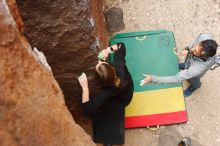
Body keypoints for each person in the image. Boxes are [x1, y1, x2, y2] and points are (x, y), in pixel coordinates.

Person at [78, 42, 134, 146]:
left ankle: (107, 135)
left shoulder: (106, 93)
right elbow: (121, 45)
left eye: (98, 64)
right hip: (127, 96)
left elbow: (87, 110)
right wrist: (108, 50)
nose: (99, 62)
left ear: (100, 83)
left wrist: (85, 88)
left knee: (97, 106)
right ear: (110, 66)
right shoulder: (118, 64)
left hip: (118, 101)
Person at [140, 33, 218, 97]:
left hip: (194, 74)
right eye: (195, 47)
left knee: (192, 80)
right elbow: (195, 41)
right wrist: (187, 49)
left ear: (204, 57)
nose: (192, 50)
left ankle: (195, 86)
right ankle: (185, 65)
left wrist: (153, 79)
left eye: (196, 52)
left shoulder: (197, 69)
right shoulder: (204, 37)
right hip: (190, 63)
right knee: (186, 65)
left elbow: (176, 78)